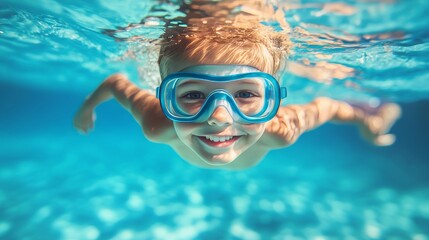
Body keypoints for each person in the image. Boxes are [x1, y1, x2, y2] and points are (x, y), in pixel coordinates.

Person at [74, 0, 401, 170]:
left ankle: (375, 114)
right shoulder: (158, 123)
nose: (218, 117)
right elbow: (116, 82)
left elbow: (327, 106)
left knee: (367, 115)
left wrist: (364, 125)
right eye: (191, 95)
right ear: (165, 97)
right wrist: (87, 108)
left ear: (273, 99)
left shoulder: (279, 130)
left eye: (245, 93)